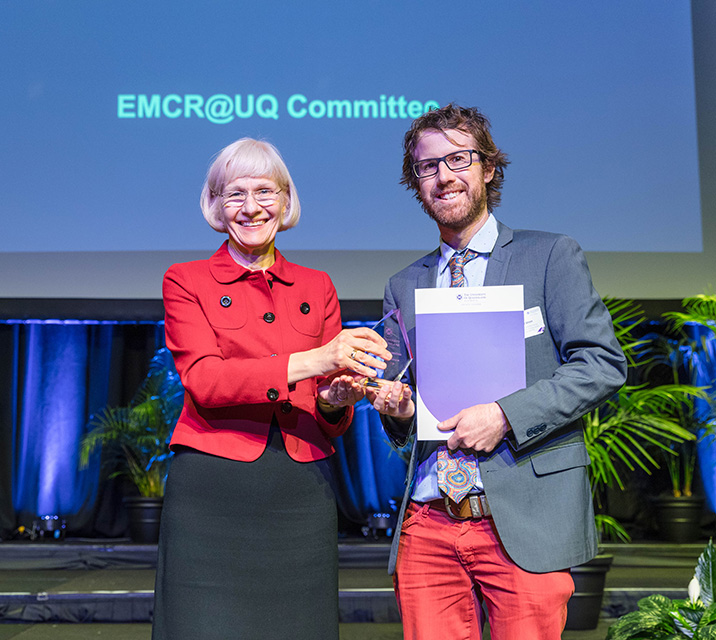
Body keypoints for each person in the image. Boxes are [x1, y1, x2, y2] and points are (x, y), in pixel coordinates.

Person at [365, 104, 628, 639]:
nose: (444, 176)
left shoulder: (549, 256)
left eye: (458, 159)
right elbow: (404, 401)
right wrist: (397, 406)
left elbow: (602, 364)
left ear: (488, 168)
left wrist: (505, 416)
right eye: (427, 166)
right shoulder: (403, 285)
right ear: (416, 183)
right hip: (430, 520)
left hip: (523, 517)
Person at [153, 138, 389, 640]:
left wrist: (337, 399)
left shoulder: (316, 285)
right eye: (235, 194)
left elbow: (327, 406)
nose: (252, 207)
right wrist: (319, 358)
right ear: (216, 206)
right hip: (214, 486)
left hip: (300, 491)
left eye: (264, 191)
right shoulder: (186, 280)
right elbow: (206, 381)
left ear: (285, 200)